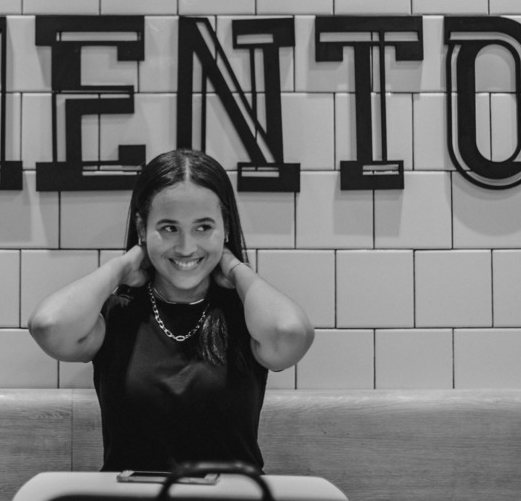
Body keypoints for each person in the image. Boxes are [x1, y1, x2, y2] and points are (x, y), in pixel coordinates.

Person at [28, 149, 315, 472]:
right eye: (168, 228)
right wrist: (123, 266)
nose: (186, 247)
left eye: (203, 227)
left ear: (226, 228)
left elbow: (288, 333)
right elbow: (49, 325)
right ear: (142, 228)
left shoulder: (247, 317)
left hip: (233, 495)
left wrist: (235, 268)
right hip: (130, 495)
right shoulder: (118, 315)